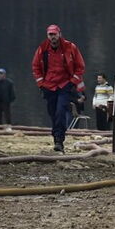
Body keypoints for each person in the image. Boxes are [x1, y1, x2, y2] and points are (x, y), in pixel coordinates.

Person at [31, 24, 85, 153]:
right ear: (47, 36)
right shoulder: (42, 49)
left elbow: (80, 66)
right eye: (50, 34)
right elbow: (35, 67)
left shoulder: (70, 47)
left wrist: (73, 82)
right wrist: (41, 84)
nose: (53, 37)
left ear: (59, 34)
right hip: (49, 86)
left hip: (64, 85)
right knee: (53, 113)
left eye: (54, 34)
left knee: (61, 111)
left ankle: (59, 140)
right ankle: (56, 135)